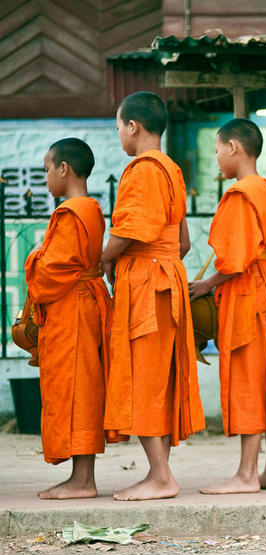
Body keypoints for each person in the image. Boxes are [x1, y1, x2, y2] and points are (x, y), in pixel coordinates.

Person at [102, 91, 205, 501]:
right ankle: (158, 472)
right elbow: (181, 242)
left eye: (118, 129)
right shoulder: (173, 170)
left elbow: (130, 231)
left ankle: (162, 476)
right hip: (167, 279)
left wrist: (102, 260)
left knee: (142, 376)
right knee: (156, 377)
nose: (119, 138)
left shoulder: (143, 169)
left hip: (147, 282)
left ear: (133, 126)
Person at [188, 118, 266, 494]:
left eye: (218, 150)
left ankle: (247, 474)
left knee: (249, 378)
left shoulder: (241, 194)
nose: (217, 158)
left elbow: (234, 260)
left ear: (234, 148)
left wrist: (205, 284)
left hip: (248, 291)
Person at [24, 138, 114, 499]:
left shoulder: (71, 211)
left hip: (73, 307)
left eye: (48, 168)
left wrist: (34, 257)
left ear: (64, 169)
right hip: (84, 303)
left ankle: (83, 481)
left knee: (77, 390)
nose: (46, 177)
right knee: (81, 389)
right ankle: (81, 477)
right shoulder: (91, 207)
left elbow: (52, 271)